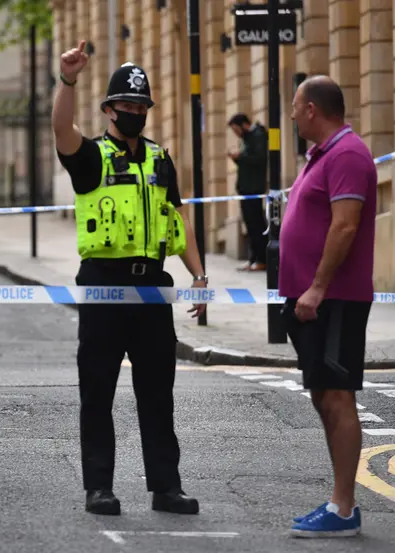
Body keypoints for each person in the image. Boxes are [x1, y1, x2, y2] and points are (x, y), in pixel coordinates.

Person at [53, 40, 207, 516]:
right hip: (102, 284)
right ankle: (99, 487)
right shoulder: (91, 157)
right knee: (97, 391)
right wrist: (68, 80)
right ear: (109, 109)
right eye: (127, 105)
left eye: (141, 105)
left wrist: (199, 275)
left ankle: (166, 487)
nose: (135, 111)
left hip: (152, 287)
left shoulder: (160, 160)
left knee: (158, 394)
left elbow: (178, 219)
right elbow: (61, 129)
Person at [281, 76, 376, 537]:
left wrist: (317, 287)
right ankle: (340, 502)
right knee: (324, 396)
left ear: (314, 109)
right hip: (313, 301)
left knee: (338, 397)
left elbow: (344, 227)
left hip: (335, 299)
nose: (293, 113)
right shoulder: (322, 156)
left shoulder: (348, 155)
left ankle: (343, 509)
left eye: (297, 106)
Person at [227, 113, 268, 271]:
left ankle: (261, 259)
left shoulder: (258, 136)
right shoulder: (247, 138)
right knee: (250, 224)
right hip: (246, 188)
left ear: (244, 125)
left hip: (254, 188)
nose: (236, 134)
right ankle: (253, 259)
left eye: (236, 129)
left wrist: (240, 156)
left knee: (256, 224)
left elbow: (258, 159)